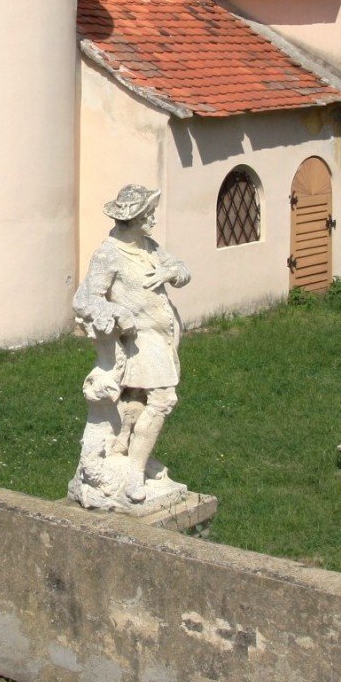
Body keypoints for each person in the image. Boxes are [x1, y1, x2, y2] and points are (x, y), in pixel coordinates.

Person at [70, 185, 191, 509]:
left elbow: (183, 270)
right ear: (134, 218)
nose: (153, 217)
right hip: (140, 341)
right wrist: (115, 312)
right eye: (148, 213)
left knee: (135, 400)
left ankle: (125, 451)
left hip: (164, 338)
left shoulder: (149, 247)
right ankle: (135, 472)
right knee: (163, 399)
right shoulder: (109, 253)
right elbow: (86, 299)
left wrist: (170, 272)